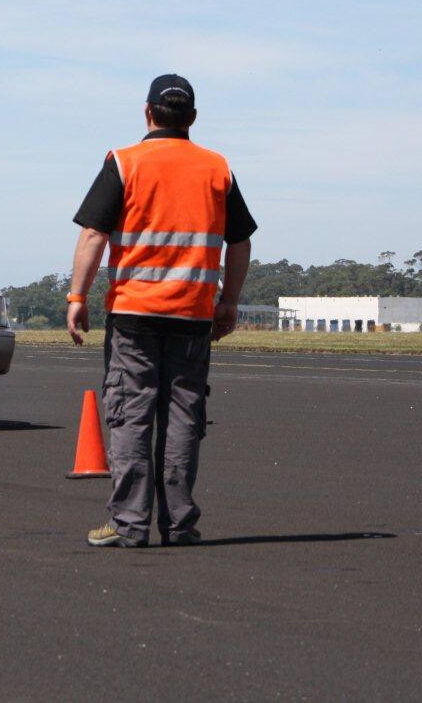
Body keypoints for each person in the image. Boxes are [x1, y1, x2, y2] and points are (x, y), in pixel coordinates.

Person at [67, 74, 256, 548]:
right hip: (193, 316)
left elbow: (93, 234)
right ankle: (178, 524)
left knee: (132, 414)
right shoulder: (217, 168)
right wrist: (228, 301)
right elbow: (240, 241)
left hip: (134, 315)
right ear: (191, 118)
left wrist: (77, 297)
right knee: (182, 417)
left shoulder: (125, 162)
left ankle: (129, 524)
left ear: (147, 112)